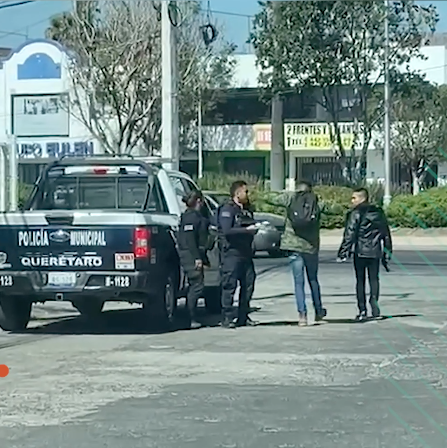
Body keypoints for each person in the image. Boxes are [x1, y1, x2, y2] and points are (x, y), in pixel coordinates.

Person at [267, 181, 326, 327]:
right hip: (311, 247)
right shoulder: (316, 201)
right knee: (313, 280)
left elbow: (269, 198)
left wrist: (287, 194)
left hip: (293, 246)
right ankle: (318, 312)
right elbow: (336, 209)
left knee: (298, 283)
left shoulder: (290, 199)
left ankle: (302, 316)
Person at [337, 187, 393, 321]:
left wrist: (343, 251)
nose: (352, 200)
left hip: (361, 252)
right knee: (374, 279)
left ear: (362, 198)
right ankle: (374, 305)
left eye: (354, 198)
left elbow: (350, 233)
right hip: (375, 251)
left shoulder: (356, 213)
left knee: (360, 281)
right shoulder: (378, 212)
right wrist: (387, 251)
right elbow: (386, 234)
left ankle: (362, 310)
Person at [217, 180, 258, 329]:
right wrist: (246, 231)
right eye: (245, 191)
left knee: (248, 284)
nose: (247, 194)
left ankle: (243, 316)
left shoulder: (246, 209)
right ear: (237, 193)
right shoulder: (228, 209)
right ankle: (227, 317)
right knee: (229, 285)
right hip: (232, 253)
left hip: (246, 253)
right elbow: (227, 230)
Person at [177, 190, 210, 329]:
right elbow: (190, 240)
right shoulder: (191, 218)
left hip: (193, 254)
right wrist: (197, 258)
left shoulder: (194, 216)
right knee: (196, 285)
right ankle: (190, 318)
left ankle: (191, 316)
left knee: (195, 285)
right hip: (190, 255)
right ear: (198, 201)